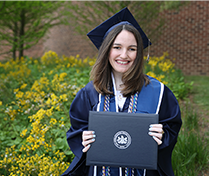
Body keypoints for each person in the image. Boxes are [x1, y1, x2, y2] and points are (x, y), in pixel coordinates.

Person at [63, 8, 182, 176]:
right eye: (117, 47)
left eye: (132, 49)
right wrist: (83, 139)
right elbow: (77, 131)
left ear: (139, 53)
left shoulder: (158, 92)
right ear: (106, 50)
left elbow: (172, 127)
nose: (124, 55)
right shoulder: (89, 93)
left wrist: (162, 135)